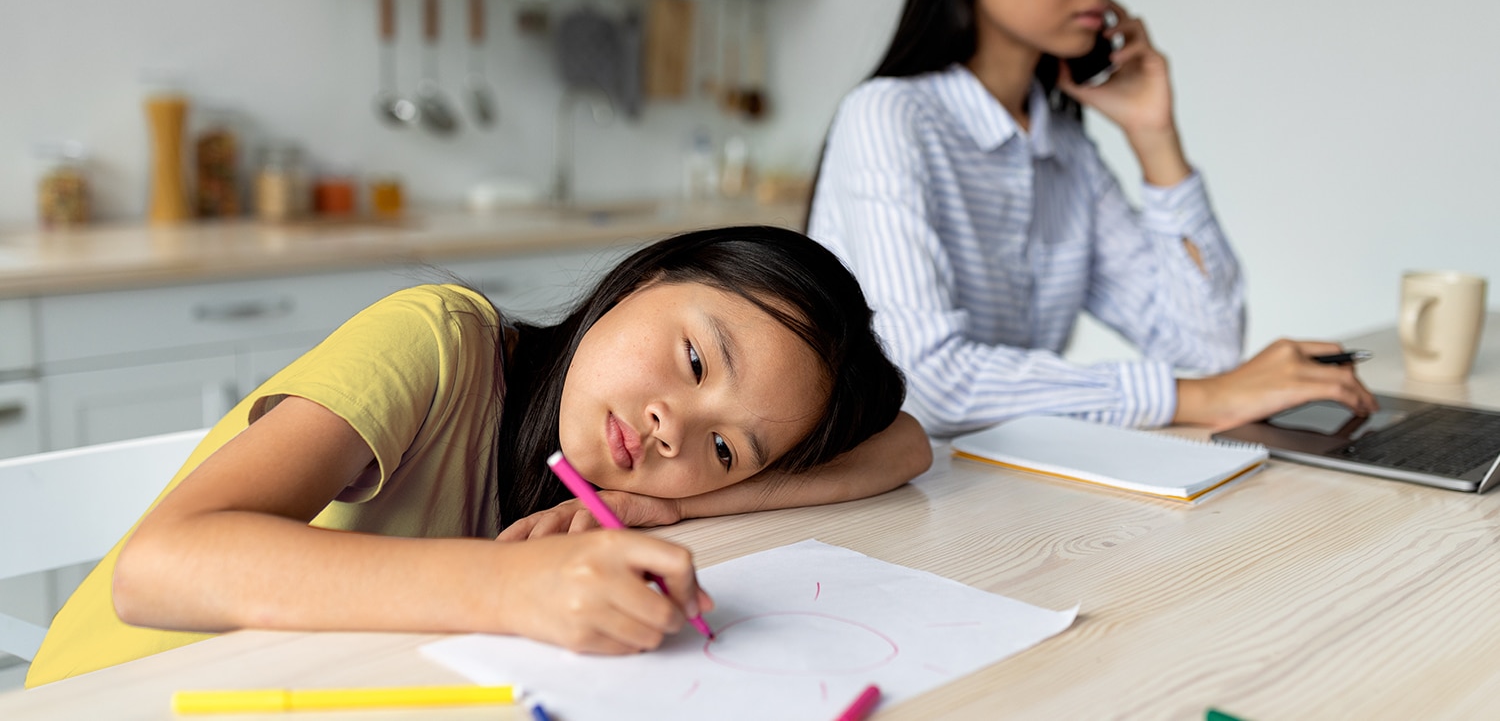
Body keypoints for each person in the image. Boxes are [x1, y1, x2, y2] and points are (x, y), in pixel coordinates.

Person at [27, 225, 927, 686]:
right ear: (649, 275)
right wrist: (514, 589)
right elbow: (158, 566)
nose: (670, 428)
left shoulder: (618, 481)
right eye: (695, 360)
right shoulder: (438, 340)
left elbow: (904, 444)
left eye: (727, 447)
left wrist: (685, 502)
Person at [806, 0, 1375, 438]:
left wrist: (1155, 137)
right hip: (893, 508)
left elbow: (1207, 348)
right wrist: (1195, 396)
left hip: (1005, 492)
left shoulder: (1064, 151)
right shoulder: (888, 118)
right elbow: (926, 385)